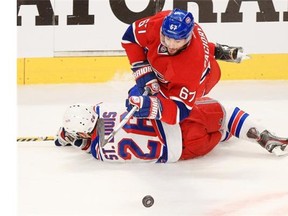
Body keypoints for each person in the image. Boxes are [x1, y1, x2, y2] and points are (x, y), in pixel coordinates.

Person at [54, 91, 288, 163]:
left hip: (184, 151)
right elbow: (99, 116)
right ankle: (261, 134)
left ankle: (224, 134)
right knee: (224, 114)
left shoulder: (99, 153)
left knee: (218, 133)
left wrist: (70, 138)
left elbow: (90, 141)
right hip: (178, 123)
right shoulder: (103, 109)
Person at [121, 8, 247, 125]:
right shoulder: (158, 23)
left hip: (204, 80)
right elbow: (129, 37)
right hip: (180, 62)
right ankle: (218, 50)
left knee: (142, 97)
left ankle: (223, 124)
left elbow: (181, 111)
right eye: (167, 38)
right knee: (138, 93)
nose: (170, 45)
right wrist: (142, 70)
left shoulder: (191, 67)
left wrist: (154, 107)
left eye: (177, 41)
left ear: (187, 38)